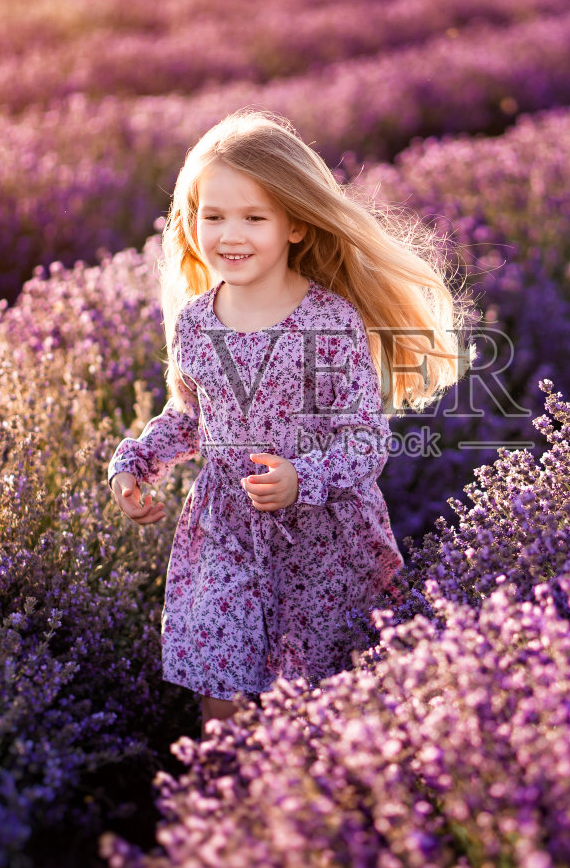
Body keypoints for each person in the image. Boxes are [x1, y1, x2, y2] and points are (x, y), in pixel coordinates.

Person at [106, 109, 475, 736]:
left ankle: (308, 809)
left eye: (254, 217)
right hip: (224, 524)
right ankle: (226, 801)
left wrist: (303, 478)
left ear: (297, 225)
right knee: (221, 678)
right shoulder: (197, 321)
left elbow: (364, 437)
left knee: (316, 695)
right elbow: (191, 415)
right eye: (211, 215)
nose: (229, 233)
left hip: (320, 535)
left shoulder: (327, 323)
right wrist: (138, 462)